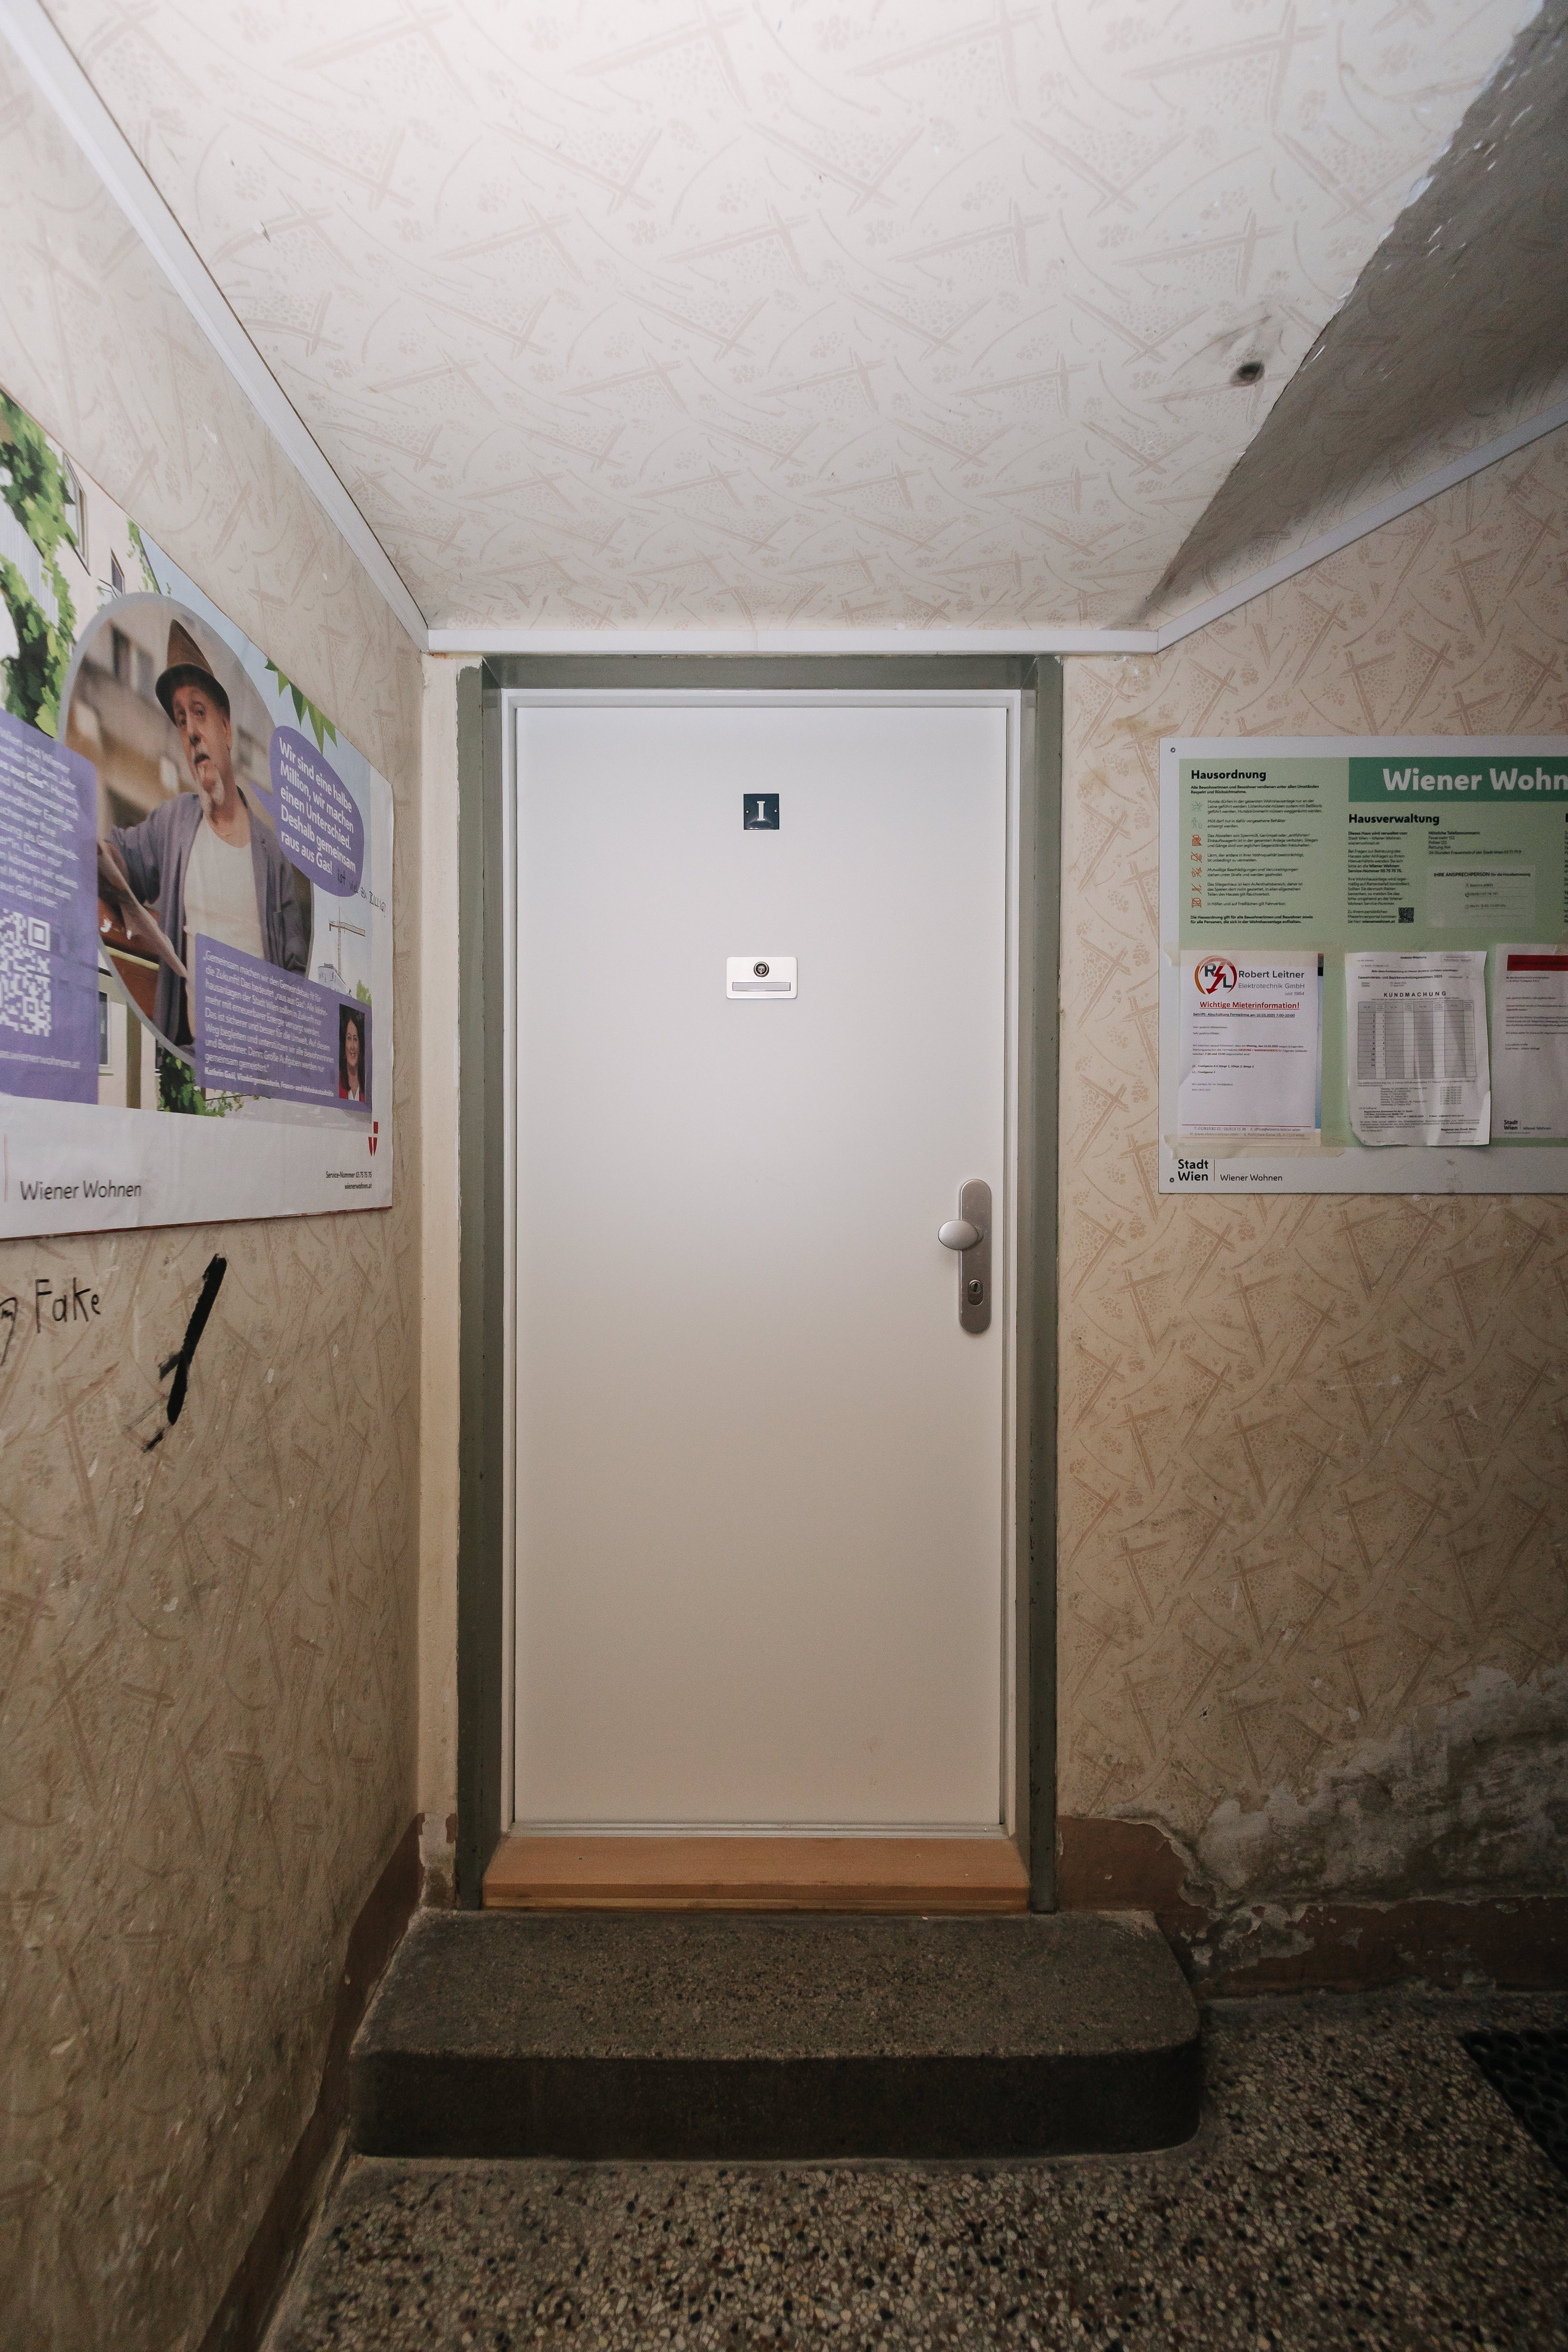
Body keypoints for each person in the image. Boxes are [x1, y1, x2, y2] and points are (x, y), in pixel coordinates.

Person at [95, 618, 306, 1045]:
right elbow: (120, 855)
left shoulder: (272, 857)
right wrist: (101, 858)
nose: (191, 731)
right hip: (194, 1055)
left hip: (258, 1062)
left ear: (226, 729)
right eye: (180, 719)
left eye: (199, 712)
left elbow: (296, 974)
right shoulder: (174, 821)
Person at [339, 1006, 366, 1102]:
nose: (353, 1046)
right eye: (349, 1038)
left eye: (355, 1039)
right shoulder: (336, 1083)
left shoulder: (367, 1084)